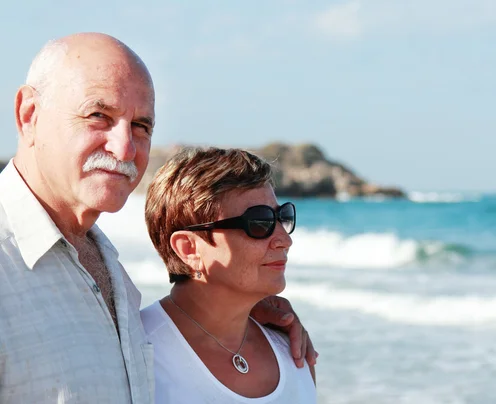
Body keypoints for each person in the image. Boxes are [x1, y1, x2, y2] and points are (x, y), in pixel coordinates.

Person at [0, 33, 315, 404]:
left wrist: (239, 309)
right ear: (29, 115)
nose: (125, 148)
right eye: (98, 115)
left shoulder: (109, 271)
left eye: (141, 126)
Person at [141, 147, 316, 403]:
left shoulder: (294, 352)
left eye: (283, 217)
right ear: (189, 248)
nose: (284, 240)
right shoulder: (135, 353)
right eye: (259, 222)